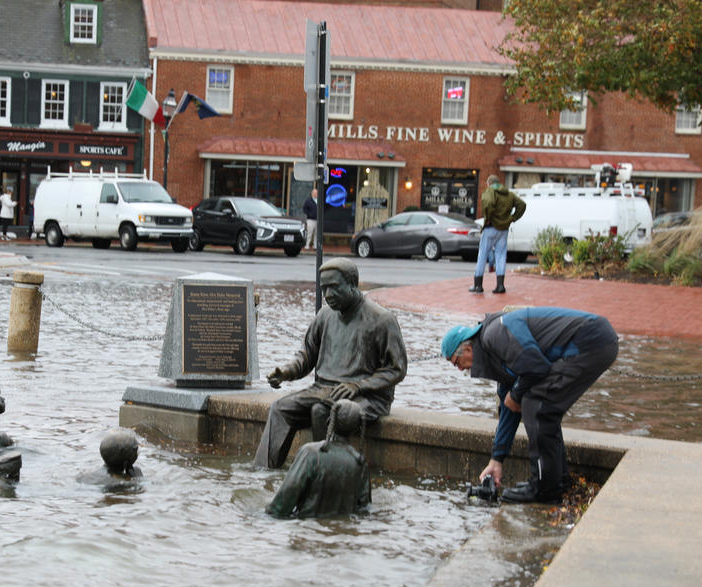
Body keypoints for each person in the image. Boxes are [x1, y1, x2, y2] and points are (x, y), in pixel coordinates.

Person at [442, 306, 618, 504]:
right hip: (596, 340)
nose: (459, 369)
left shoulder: (495, 335)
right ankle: (558, 481)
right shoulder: (493, 353)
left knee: (536, 405)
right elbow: (509, 408)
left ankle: (543, 488)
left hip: (589, 341)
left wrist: (516, 395)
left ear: (467, 348)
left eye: (456, 362)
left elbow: (536, 367)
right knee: (543, 407)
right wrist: (496, 459)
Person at [254, 257, 408, 469]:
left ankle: (322, 471)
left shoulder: (382, 319)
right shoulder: (325, 315)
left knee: (322, 412)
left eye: (334, 287)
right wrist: (287, 372)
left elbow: (396, 369)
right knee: (280, 408)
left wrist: (358, 385)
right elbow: (307, 355)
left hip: (367, 396)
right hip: (323, 389)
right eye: (324, 288)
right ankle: (263, 471)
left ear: (353, 284)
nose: (327, 295)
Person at [266, 399, 371, 519]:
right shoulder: (359, 463)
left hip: (307, 527)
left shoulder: (310, 452)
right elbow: (364, 508)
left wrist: (268, 516)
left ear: (329, 421)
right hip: (341, 534)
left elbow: (287, 495)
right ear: (357, 430)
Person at [471, 174, 526, 295]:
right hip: (504, 229)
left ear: (489, 183)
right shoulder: (509, 194)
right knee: (501, 255)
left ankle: (478, 285)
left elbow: (488, 202)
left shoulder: (490, 191)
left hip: (491, 227)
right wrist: (512, 218)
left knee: (482, 254)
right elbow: (522, 205)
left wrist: (488, 217)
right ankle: (500, 285)